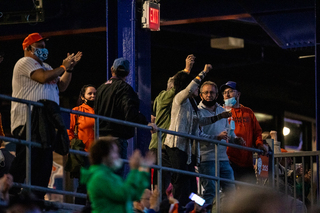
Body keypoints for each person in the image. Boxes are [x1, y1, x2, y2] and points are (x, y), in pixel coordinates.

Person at [9, 32, 82, 199]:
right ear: (29, 48)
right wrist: (62, 67)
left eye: (44, 46)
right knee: (26, 158)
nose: (44, 49)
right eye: (40, 47)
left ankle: (37, 198)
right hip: (28, 120)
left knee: (44, 163)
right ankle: (9, 192)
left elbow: (62, 86)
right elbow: (42, 78)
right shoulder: (25, 62)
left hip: (46, 122)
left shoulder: (48, 67)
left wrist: (68, 69)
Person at [164, 65, 231, 206]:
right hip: (176, 146)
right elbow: (190, 87)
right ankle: (179, 208)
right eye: (196, 87)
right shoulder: (179, 98)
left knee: (192, 186)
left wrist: (220, 116)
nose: (196, 89)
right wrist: (204, 71)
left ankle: (196, 208)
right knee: (181, 181)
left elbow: (200, 120)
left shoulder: (191, 103)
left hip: (187, 149)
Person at [94, 57, 157, 177]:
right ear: (128, 73)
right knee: (115, 178)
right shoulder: (125, 89)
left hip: (100, 139)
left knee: (101, 176)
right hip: (116, 140)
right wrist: (146, 123)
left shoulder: (101, 89)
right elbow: (130, 114)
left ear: (112, 69)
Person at [149, 54, 195, 199]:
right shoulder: (163, 97)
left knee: (179, 180)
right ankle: (160, 208)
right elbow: (178, 89)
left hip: (170, 147)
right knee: (161, 184)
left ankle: (177, 206)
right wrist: (187, 70)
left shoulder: (180, 105)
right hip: (161, 146)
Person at [80, 137, 154, 213]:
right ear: (104, 156)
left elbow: (135, 195)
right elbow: (125, 194)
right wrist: (134, 170)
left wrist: (144, 170)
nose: (118, 156)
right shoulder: (99, 177)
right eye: (114, 152)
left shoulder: (111, 176)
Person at [220, 81, 267, 185]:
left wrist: (259, 144)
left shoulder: (248, 112)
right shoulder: (221, 112)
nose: (227, 94)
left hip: (247, 162)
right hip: (228, 160)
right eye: (224, 92)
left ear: (238, 94)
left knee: (251, 195)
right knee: (231, 194)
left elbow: (257, 131)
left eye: (231, 91)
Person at [197, 81, 236, 205]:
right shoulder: (198, 112)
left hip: (223, 159)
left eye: (212, 92)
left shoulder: (222, 110)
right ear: (201, 95)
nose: (209, 95)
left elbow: (228, 130)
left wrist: (235, 138)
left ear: (217, 95)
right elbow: (197, 135)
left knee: (231, 192)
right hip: (206, 158)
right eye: (206, 92)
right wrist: (216, 138)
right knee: (210, 192)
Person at [67, 84, 96, 205]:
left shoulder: (100, 109)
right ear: (83, 96)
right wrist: (73, 147)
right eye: (90, 93)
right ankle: (79, 208)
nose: (93, 96)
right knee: (83, 184)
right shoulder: (77, 111)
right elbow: (70, 130)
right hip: (83, 152)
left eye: (95, 93)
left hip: (97, 153)